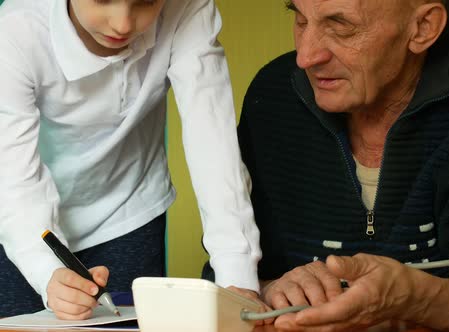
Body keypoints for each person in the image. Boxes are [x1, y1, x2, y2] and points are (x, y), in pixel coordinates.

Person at [235, 0, 449, 331]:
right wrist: (268, 291)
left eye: (341, 27)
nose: (306, 56)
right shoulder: (273, 95)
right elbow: (229, 275)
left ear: (422, 28)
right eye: (300, 19)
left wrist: (412, 300)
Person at [0, 0, 262, 319]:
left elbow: (213, 141)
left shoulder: (188, 7)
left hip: (129, 211)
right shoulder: (14, 30)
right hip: (22, 225)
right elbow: (12, 177)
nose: (123, 24)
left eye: (147, 1)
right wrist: (44, 269)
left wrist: (238, 277)